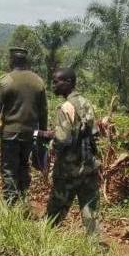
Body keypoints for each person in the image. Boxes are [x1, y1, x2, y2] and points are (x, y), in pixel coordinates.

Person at [0, 47, 47, 205]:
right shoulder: (38, 81)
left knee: (9, 169)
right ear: (25, 61)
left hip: (10, 134)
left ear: (11, 61)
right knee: (24, 166)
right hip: (30, 134)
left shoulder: (5, 81)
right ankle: (23, 201)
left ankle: (10, 205)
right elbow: (43, 111)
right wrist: (42, 135)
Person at [38, 68, 100, 233]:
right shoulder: (86, 103)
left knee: (54, 213)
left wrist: (51, 145)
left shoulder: (66, 107)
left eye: (57, 81)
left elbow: (63, 139)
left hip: (68, 171)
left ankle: (43, 242)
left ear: (69, 82)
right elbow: (93, 132)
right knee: (90, 212)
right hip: (88, 167)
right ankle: (94, 248)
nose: (54, 85)